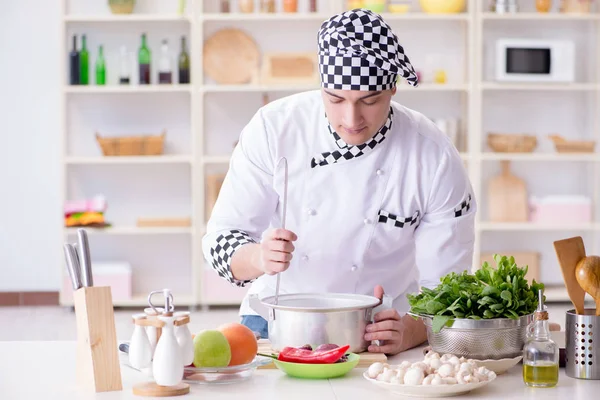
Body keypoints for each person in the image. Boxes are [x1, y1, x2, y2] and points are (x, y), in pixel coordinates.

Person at [202, 9, 476, 355]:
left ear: (392, 88)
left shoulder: (432, 156)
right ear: (321, 88)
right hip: (276, 321)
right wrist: (259, 256)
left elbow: (449, 291)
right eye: (336, 99)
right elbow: (219, 241)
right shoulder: (274, 128)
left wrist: (411, 330)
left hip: (380, 329)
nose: (351, 120)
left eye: (369, 101)